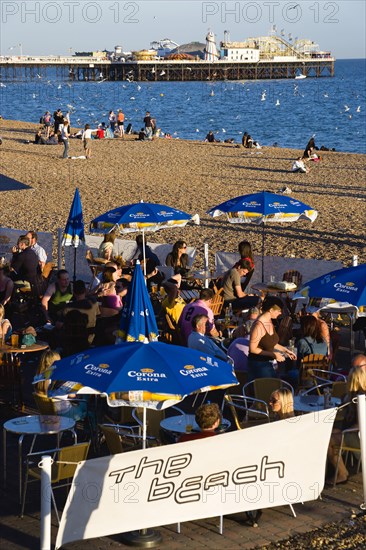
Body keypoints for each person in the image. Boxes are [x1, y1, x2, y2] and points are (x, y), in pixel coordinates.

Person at [327, 367, 366, 484]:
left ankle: (342, 473)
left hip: (359, 436)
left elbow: (361, 425)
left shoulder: (359, 398)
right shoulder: (351, 396)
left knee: (328, 440)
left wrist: (342, 432)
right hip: (355, 432)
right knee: (329, 433)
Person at [248, 296, 296, 381]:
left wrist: (285, 350)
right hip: (259, 365)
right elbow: (253, 349)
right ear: (271, 310)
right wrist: (273, 355)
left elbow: (271, 342)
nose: (280, 313)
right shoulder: (259, 326)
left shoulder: (270, 321)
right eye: (279, 311)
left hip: (267, 363)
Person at [34, 349, 87, 420]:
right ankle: (90, 425)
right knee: (86, 400)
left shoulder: (37, 378)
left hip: (48, 413)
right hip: (65, 414)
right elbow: (73, 396)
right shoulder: (59, 378)